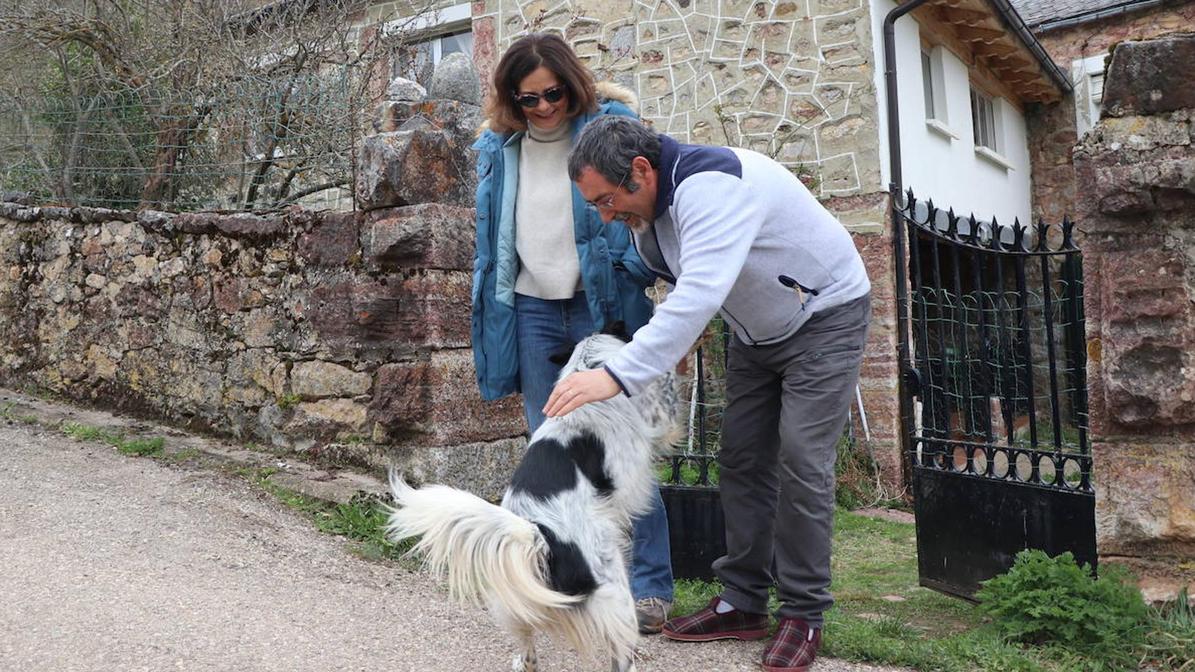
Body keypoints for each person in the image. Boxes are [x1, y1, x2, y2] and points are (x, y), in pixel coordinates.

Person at [546, 115, 871, 672]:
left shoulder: (709, 187)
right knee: (742, 457)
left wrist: (617, 374)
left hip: (825, 315)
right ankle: (743, 600)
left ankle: (803, 613)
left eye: (606, 200)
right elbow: (672, 285)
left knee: (801, 460)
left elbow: (696, 294)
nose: (605, 215)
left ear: (641, 171)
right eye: (595, 205)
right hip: (756, 332)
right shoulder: (649, 213)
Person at [468, 33, 674, 633]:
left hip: (599, 304)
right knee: (550, 454)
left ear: (571, 83)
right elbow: (492, 239)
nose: (542, 108)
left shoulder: (609, 128)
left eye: (552, 93)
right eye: (526, 98)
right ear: (510, 98)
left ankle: (652, 588)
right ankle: (566, 579)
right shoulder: (497, 146)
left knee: (627, 454)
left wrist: (629, 270)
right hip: (531, 310)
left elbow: (650, 210)